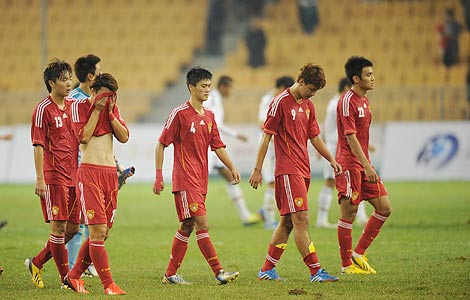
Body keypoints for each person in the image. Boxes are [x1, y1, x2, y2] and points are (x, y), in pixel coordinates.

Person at [249, 63, 340, 283]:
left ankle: (267, 269)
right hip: (287, 170)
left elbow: (315, 137)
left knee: (287, 223)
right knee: (302, 219)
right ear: (300, 82)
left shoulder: (308, 105)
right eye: (310, 89)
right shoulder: (279, 102)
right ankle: (315, 271)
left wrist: (331, 159)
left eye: (315, 91)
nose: (312, 94)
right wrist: (258, 169)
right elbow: (266, 136)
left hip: (303, 170)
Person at [153, 67, 240, 285]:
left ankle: (170, 274)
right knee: (202, 223)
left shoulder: (209, 116)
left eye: (209, 86)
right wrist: (158, 176)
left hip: (201, 180)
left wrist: (231, 166)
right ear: (191, 87)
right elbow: (162, 144)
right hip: (185, 180)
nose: (207, 90)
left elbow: (217, 146)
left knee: (188, 226)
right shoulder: (179, 114)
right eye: (203, 86)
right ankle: (219, 272)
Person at [66, 54, 134, 276]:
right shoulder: (75, 102)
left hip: (106, 173)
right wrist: (97, 109)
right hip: (82, 171)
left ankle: (75, 269)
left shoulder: (110, 105)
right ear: (90, 77)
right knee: (78, 227)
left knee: (99, 230)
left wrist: (110, 111)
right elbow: (81, 138)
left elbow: (123, 137)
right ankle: (79, 271)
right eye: (99, 68)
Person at [25, 59, 80, 288]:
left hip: (74, 176)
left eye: (70, 79)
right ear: (51, 83)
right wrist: (40, 178)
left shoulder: (73, 106)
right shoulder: (42, 109)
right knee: (58, 228)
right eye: (64, 80)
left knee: (74, 228)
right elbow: (38, 145)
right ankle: (66, 279)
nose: (69, 84)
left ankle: (37, 262)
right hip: (54, 176)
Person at [335, 56, 392, 275]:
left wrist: (367, 160)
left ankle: (358, 253)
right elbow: (350, 137)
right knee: (349, 212)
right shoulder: (347, 100)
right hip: (350, 165)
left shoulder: (364, 100)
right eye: (368, 75)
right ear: (356, 78)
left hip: (363, 163)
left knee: (384, 207)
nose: (373, 78)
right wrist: (367, 165)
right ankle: (346, 265)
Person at [204, 75, 262, 226]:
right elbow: (214, 122)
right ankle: (194, 216)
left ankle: (245, 217)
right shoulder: (212, 98)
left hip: (214, 145)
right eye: (230, 87)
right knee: (201, 181)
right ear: (223, 86)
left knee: (230, 178)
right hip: (209, 146)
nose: (231, 91)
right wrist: (236, 134)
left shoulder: (217, 100)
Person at [316, 78, 369, 229]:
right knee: (345, 181)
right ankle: (323, 219)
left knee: (345, 181)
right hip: (338, 147)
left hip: (334, 146)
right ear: (346, 87)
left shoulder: (333, 103)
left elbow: (327, 128)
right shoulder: (339, 104)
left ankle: (324, 218)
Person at [258, 75, 295, 229]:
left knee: (277, 183)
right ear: (281, 88)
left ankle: (267, 213)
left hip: (276, 146)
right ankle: (269, 220)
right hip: (268, 147)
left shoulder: (281, 101)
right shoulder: (268, 100)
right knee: (272, 183)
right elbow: (262, 123)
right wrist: (274, 140)